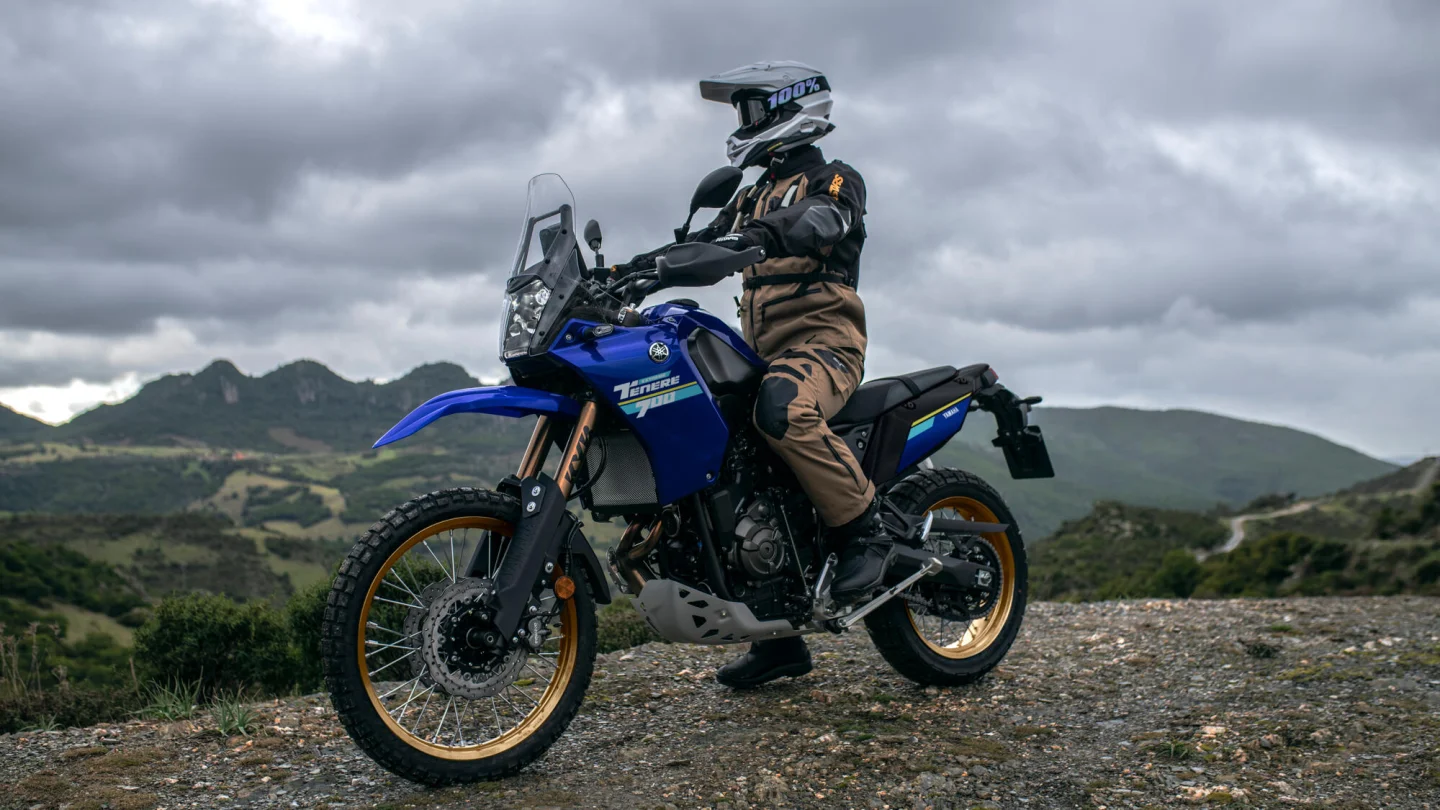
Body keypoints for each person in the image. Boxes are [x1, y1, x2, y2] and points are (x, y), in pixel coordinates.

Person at [689, 61, 891, 688]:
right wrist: (634, 271)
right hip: (760, 352)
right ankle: (775, 637)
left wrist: (756, 235)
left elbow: (821, 220)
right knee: (720, 449)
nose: (743, 124)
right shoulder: (749, 194)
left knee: (783, 409)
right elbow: (706, 243)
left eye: (751, 110)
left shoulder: (834, 179)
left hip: (823, 346)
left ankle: (865, 533)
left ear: (792, 108)